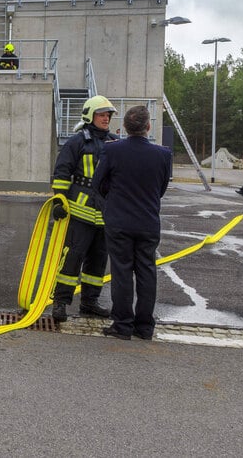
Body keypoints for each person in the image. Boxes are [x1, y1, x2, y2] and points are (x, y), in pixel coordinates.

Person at [93, 105, 172, 340]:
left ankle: (123, 325)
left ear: (125, 127)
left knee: (122, 273)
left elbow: (99, 183)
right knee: (147, 272)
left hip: (119, 221)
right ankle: (145, 327)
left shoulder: (113, 151)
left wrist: (115, 199)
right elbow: (161, 189)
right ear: (148, 127)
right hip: (148, 222)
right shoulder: (163, 154)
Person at [49, 95, 118, 322]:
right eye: (101, 114)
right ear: (90, 116)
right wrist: (59, 200)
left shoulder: (115, 142)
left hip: (105, 211)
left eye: (108, 115)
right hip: (79, 210)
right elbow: (61, 173)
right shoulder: (76, 142)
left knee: (98, 260)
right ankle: (60, 302)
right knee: (72, 257)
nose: (106, 118)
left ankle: (90, 302)